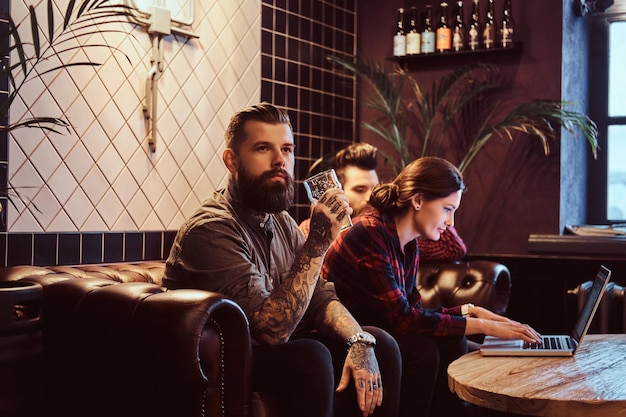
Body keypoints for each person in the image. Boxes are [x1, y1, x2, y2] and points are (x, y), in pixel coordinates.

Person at [163, 103, 401, 417]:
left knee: (379, 344)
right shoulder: (211, 229)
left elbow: (319, 297)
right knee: (310, 355)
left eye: (287, 149)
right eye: (263, 148)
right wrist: (317, 243)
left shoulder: (282, 221)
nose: (280, 161)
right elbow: (270, 331)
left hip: (271, 351)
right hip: (224, 362)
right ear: (232, 160)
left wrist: (359, 340)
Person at [321, 156, 542, 417]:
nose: (451, 223)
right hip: (346, 342)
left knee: (453, 343)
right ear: (417, 200)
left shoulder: (409, 244)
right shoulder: (369, 233)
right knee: (422, 350)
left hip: (383, 332)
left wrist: (470, 311)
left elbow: (413, 310)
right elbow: (402, 319)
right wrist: (482, 326)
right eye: (448, 209)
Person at [299, 144, 467, 264]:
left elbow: (453, 248)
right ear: (338, 192)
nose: (369, 197)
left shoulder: (390, 236)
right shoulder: (310, 230)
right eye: (360, 189)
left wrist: (440, 197)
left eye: (373, 188)